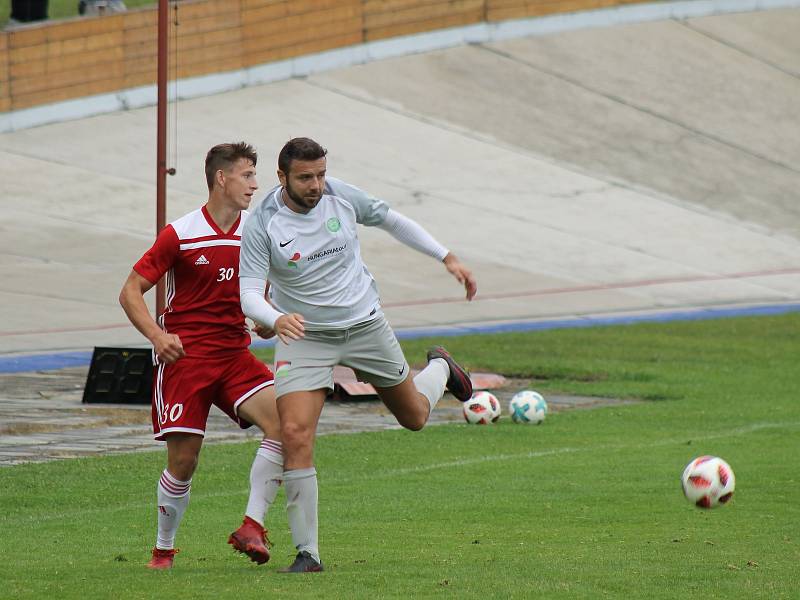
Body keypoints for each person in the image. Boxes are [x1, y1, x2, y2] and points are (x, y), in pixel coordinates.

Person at [239, 137, 478, 573]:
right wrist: (275, 319)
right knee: (293, 432)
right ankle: (307, 552)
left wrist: (446, 256)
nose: (316, 185)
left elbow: (392, 220)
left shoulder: (341, 197)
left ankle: (441, 366)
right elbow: (249, 294)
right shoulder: (262, 224)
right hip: (304, 335)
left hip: (365, 325)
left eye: (320, 175)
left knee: (414, 417)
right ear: (282, 178)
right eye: (305, 177)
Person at [119, 142, 285, 570]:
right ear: (221, 178)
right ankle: (164, 549)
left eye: (254, 174)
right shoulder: (182, 232)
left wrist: (267, 316)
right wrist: (158, 335)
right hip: (186, 360)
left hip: (234, 356)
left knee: (285, 427)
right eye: (247, 174)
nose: (254, 183)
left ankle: (252, 525)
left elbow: (266, 286)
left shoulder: (258, 230)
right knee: (184, 461)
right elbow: (130, 291)